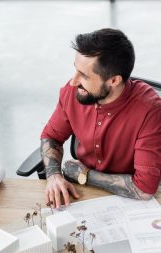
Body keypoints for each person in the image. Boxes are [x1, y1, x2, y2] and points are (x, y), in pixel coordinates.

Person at [40, 28, 161, 209]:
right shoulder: (73, 91)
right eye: (76, 70)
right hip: (80, 194)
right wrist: (54, 175)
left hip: (131, 203)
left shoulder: (150, 110)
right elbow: (51, 136)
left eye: (85, 76)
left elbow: (144, 188)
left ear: (113, 81)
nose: (73, 81)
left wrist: (84, 175)